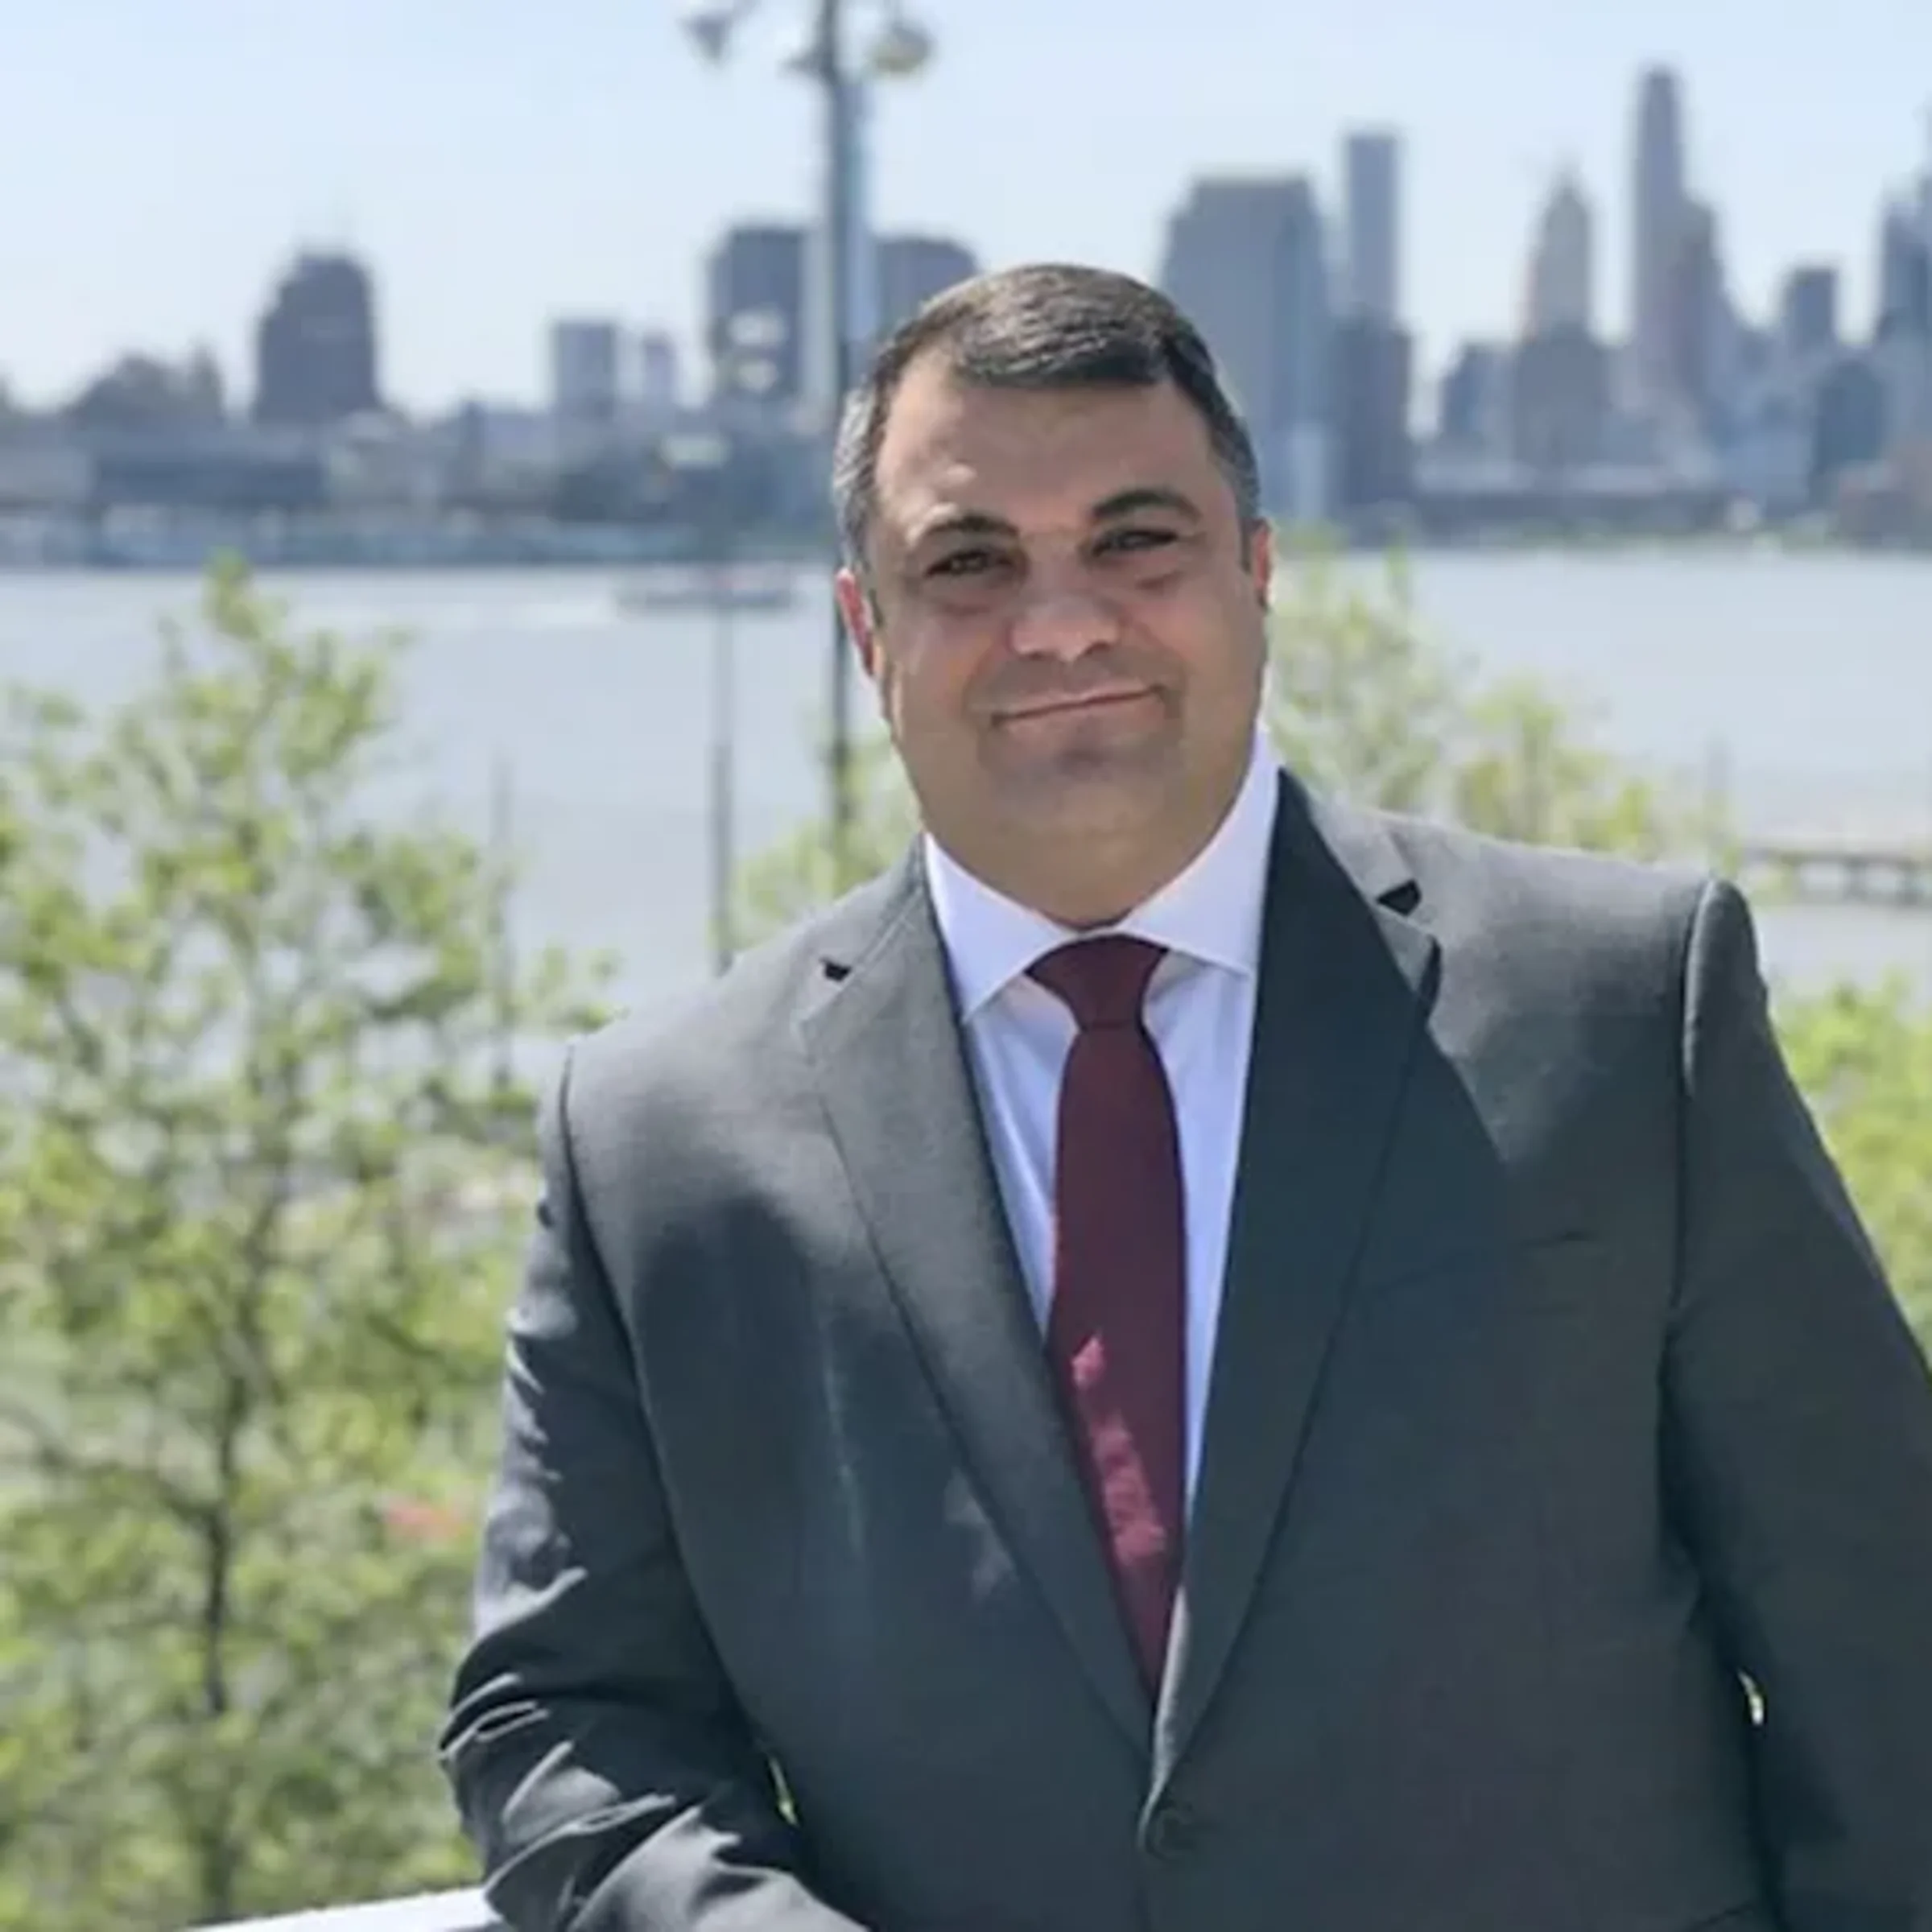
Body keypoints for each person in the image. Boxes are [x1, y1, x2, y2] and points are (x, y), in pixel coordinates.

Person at [440, 263, 1932, 1932]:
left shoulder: (1622, 1008)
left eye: (1136, 540)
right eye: (969, 561)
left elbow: (1884, 1641)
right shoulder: (659, 1140)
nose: (1061, 620)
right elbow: (563, 1723)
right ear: (868, 629)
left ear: (1258, 574)